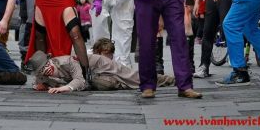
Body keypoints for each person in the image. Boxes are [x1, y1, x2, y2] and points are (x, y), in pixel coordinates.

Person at [27, 40, 175, 93]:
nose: (46, 70)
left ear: (51, 60)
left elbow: (78, 80)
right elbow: (38, 81)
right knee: (105, 83)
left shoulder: (67, 61)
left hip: (99, 64)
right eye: (42, 70)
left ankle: (169, 79)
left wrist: (62, 88)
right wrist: (41, 84)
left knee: (135, 77)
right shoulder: (41, 72)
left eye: (47, 66)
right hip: (94, 76)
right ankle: (120, 84)